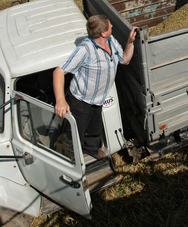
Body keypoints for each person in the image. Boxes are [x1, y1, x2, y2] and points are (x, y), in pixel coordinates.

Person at [53, 15, 138, 160]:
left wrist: (130, 42)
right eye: (109, 25)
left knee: (94, 128)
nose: (112, 27)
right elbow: (59, 71)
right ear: (103, 33)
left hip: (98, 99)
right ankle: (70, 159)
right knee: (74, 133)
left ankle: (92, 149)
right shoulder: (85, 50)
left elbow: (125, 59)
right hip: (80, 101)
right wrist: (60, 100)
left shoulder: (110, 41)